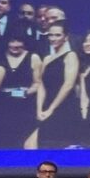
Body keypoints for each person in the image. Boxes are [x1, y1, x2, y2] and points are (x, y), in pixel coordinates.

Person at [37, 21, 80, 149]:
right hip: (46, 107)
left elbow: (68, 85)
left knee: (62, 146)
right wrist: (39, 109)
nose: (53, 38)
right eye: (51, 35)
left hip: (64, 107)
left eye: (57, 35)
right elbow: (41, 84)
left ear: (65, 37)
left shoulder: (71, 56)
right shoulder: (47, 59)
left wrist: (51, 109)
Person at [0, 35, 42, 149]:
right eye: (12, 41)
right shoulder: (0, 56)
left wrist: (21, 93)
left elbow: (37, 83)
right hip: (3, 108)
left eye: (19, 41)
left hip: (26, 108)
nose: (15, 45)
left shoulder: (33, 57)